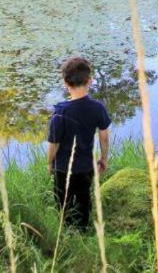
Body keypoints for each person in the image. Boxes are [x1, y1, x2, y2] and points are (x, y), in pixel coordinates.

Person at [47, 56, 111, 231]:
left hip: (62, 168)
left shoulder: (60, 112)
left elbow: (54, 144)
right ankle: (83, 228)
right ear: (89, 80)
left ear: (66, 83)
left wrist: (50, 162)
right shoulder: (98, 108)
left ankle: (65, 229)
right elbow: (103, 136)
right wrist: (104, 158)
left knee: (62, 200)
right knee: (84, 199)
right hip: (85, 167)